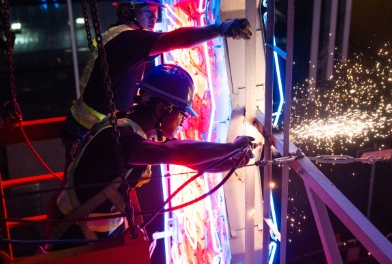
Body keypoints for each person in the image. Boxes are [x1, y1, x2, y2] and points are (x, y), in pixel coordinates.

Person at [48, 64, 254, 249]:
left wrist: (231, 161)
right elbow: (170, 153)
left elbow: (192, 161)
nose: (183, 122)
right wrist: (230, 147)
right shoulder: (121, 137)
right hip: (75, 239)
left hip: (86, 232)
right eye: (182, 114)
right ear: (162, 108)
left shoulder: (129, 129)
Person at [61, 0, 252, 162]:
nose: (154, 16)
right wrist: (220, 29)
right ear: (127, 11)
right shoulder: (127, 41)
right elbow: (176, 39)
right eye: (147, 10)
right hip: (92, 135)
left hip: (89, 131)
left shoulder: (119, 39)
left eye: (155, 10)